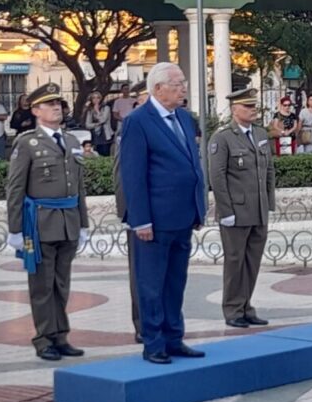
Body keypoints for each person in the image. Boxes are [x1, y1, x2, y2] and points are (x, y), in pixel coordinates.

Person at [119, 63, 207, 365]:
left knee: (175, 281)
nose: (184, 88)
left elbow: (194, 165)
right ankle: (153, 342)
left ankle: (174, 337)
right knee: (151, 283)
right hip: (154, 220)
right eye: (178, 83)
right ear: (158, 89)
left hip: (182, 216)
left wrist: (199, 208)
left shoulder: (183, 117)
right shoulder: (138, 122)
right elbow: (133, 175)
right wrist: (140, 219)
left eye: (183, 83)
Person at [5, 83, 90, 362]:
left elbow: (78, 187)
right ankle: (43, 338)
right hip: (39, 223)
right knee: (42, 285)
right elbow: (15, 188)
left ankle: (60, 335)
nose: (57, 107)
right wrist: (15, 229)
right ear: (35, 110)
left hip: (68, 222)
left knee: (61, 284)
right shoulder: (27, 143)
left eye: (59, 103)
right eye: (50, 104)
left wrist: (84, 223)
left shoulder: (72, 142)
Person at [210, 88, 276, 328]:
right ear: (234, 110)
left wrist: (269, 203)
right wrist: (226, 211)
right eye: (247, 106)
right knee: (235, 262)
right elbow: (217, 177)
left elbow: (268, 169)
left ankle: (246, 305)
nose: (253, 110)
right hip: (236, 212)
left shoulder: (259, 133)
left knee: (252, 262)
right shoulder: (223, 137)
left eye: (254, 106)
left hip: (257, 210)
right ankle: (232, 309)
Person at [113, 80, 149, 344]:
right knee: (142, 274)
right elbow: (122, 174)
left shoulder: (174, 122)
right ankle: (144, 325)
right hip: (141, 215)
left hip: (168, 214)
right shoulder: (131, 127)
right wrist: (130, 214)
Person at [83, 91, 113, 156]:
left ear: (101, 99)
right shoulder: (90, 110)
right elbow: (87, 125)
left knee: (106, 154)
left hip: (105, 135)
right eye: (94, 98)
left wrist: (97, 111)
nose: (96, 100)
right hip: (95, 136)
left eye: (98, 98)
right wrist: (96, 124)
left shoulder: (106, 108)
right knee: (97, 155)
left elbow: (103, 120)